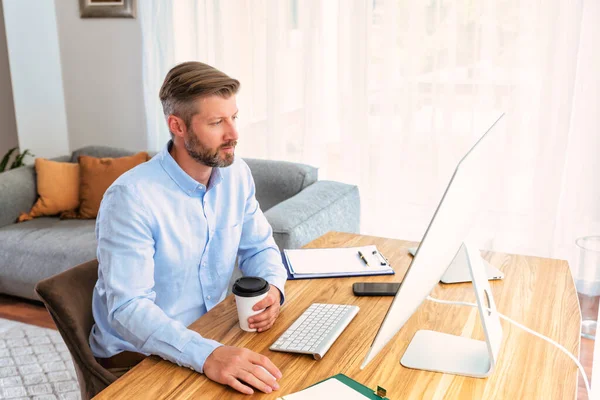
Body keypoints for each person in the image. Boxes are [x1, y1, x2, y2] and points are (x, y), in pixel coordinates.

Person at [89, 61, 287, 395]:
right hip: (138, 354)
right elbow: (128, 309)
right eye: (216, 122)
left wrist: (273, 290)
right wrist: (208, 354)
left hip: (210, 334)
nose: (233, 134)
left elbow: (259, 248)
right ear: (177, 126)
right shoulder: (130, 199)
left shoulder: (236, 175)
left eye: (233, 118)